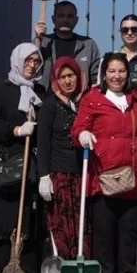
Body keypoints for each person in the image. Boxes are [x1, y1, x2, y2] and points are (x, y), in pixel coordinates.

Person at [73, 53, 137, 273]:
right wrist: (82, 135)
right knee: (103, 232)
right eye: (112, 71)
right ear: (104, 74)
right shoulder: (92, 99)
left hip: (132, 175)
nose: (117, 76)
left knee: (129, 229)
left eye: (122, 71)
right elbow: (78, 128)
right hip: (103, 175)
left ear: (128, 73)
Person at [0, 43, 46, 273]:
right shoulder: (1, 88)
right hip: (6, 164)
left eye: (36, 61)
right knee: (6, 218)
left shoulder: (40, 91)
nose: (32, 65)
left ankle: (25, 271)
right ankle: (2, 272)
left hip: (30, 164)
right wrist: (17, 130)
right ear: (17, 60)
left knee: (27, 217)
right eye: (28, 60)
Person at [35, 56, 88, 260]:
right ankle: (62, 264)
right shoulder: (50, 105)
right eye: (62, 77)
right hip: (59, 175)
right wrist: (44, 175)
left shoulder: (81, 104)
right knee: (61, 224)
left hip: (79, 174)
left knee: (80, 223)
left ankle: (79, 264)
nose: (67, 81)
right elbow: (43, 142)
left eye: (71, 75)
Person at [34, 1, 102, 89]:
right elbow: (32, 69)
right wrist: (38, 39)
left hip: (80, 97)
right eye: (61, 16)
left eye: (70, 16)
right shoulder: (43, 42)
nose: (65, 20)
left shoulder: (88, 45)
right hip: (46, 96)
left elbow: (95, 79)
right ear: (53, 19)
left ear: (76, 20)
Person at [117, 14, 137, 82]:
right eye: (125, 30)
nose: (129, 33)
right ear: (120, 32)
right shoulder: (109, 59)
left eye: (134, 29)